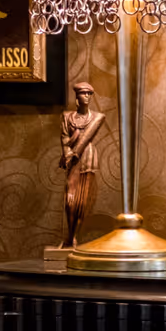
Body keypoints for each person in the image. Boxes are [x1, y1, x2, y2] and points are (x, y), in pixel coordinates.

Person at [58, 82, 104, 250]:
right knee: (69, 201)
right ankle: (69, 237)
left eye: (89, 93)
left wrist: (73, 152)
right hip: (73, 162)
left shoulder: (97, 117)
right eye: (84, 93)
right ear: (76, 96)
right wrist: (66, 153)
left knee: (82, 203)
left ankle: (73, 237)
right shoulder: (66, 116)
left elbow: (86, 138)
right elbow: (64, 138)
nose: (87, 96)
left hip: (87, 159)